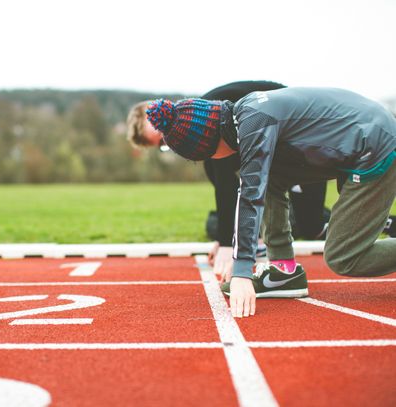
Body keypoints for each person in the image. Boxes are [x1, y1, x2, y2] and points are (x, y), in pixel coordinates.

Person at [145, 87, 396, 318]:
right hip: (360, 135)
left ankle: (285, 268)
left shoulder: (254, 124)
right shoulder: (246, 111)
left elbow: (250, 195)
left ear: (210, 145)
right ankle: (283, 270)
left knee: (344, 256)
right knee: (271, 175)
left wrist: (242, 271)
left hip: (375, 146)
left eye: (205, 157)